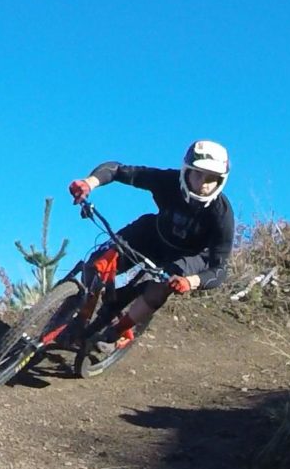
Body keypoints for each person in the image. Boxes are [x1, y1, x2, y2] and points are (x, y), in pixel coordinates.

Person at [66, 139, 236, 353]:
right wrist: (89, 183)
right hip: (152, 235)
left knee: (159, 288)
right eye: (198, 173)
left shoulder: (222, 215)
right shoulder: (167, 180)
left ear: (222, 181)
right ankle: (80, 314)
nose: (204, 183)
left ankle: (117, 331)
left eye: (212, 178)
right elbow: (117, 170)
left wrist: (190, 281)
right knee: (96, 265)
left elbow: (220, 268)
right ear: (186, 170)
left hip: (186, 257)